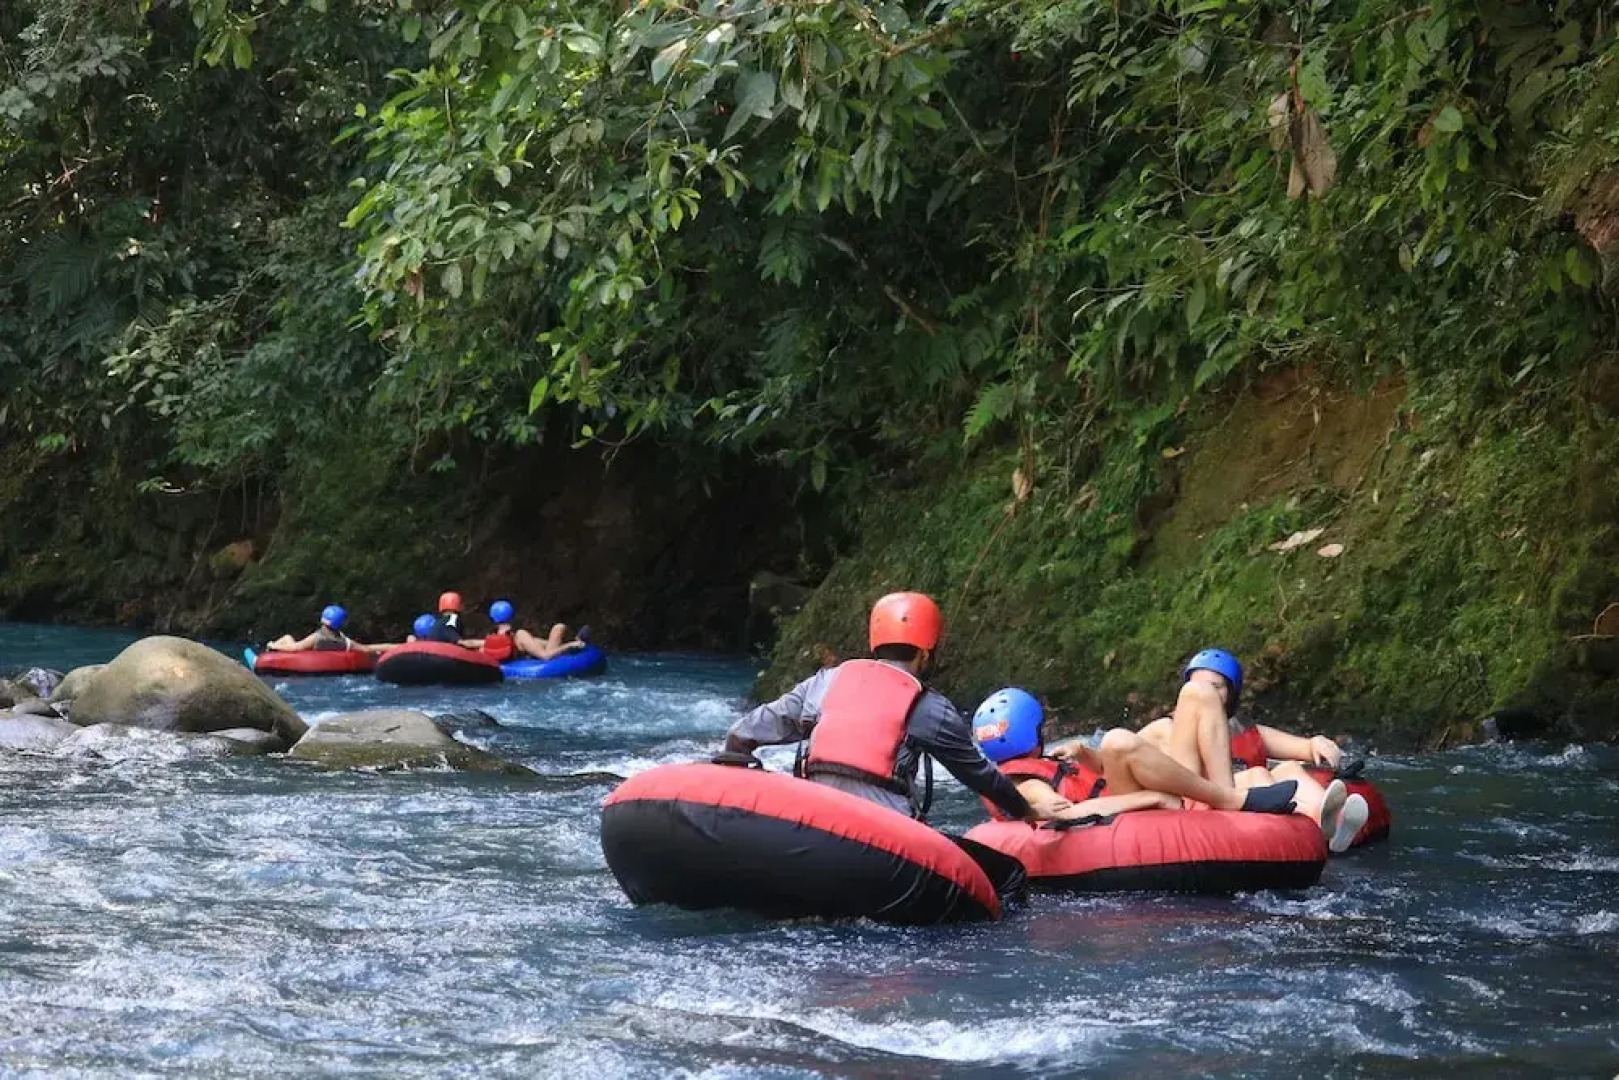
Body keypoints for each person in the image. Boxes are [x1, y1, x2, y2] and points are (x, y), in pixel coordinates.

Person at [715, 591, 1061, 824]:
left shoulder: (826, 680)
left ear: (875, 641)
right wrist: (1024, 809)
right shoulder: (930, 706)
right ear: (926, 653)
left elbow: (749, 729)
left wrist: (740, 761)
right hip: (882, 828)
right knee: (1009, 877)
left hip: (813, 818)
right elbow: (980, 776)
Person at [1115, 648, 1370, 853]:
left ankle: (1331, 822)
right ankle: (1315, 823)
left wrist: (1318, 743)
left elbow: (1304, 747)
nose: (1208, 694)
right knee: (1258, 774)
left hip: (1243, 796)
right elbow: (1119, 758)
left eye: (1217, 687)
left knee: (1290, 768)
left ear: (1232, 692)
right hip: (1205, 797)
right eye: (1200, 686)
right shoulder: (1164, 728)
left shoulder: (1243, 729)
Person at [972, 687, 1301, 822]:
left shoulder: (1039, 765)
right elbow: (1070, 813)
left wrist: (1083, 751)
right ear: (1030, 732)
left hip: (1138, 792)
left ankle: (1225, 793)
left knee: (1197, 693)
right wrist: (1152, 797)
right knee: (1117, 740)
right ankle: (1229, 800)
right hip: (1132, 813)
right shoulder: (1022, 784)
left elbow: (1099, 774)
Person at [462, 600, 588, 661]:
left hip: (516, 654)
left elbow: (472, 643)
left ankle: (570, 641)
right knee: (559, 627)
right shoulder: (520, 635)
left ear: (492, 618)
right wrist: (569, 645)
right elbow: (545, 657)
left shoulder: (492, 637)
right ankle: (574, 641)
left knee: (537, 641)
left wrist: (458, 641)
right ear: (511, 615)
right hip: (547, 658)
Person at [267, 605, 368, 653]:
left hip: (303, 657)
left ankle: (268, 651)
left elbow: (295, 648)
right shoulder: (343, 640)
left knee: (287, 637)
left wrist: (273, 645)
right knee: (288, 638)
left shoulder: (317, 638)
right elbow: (365, 649)